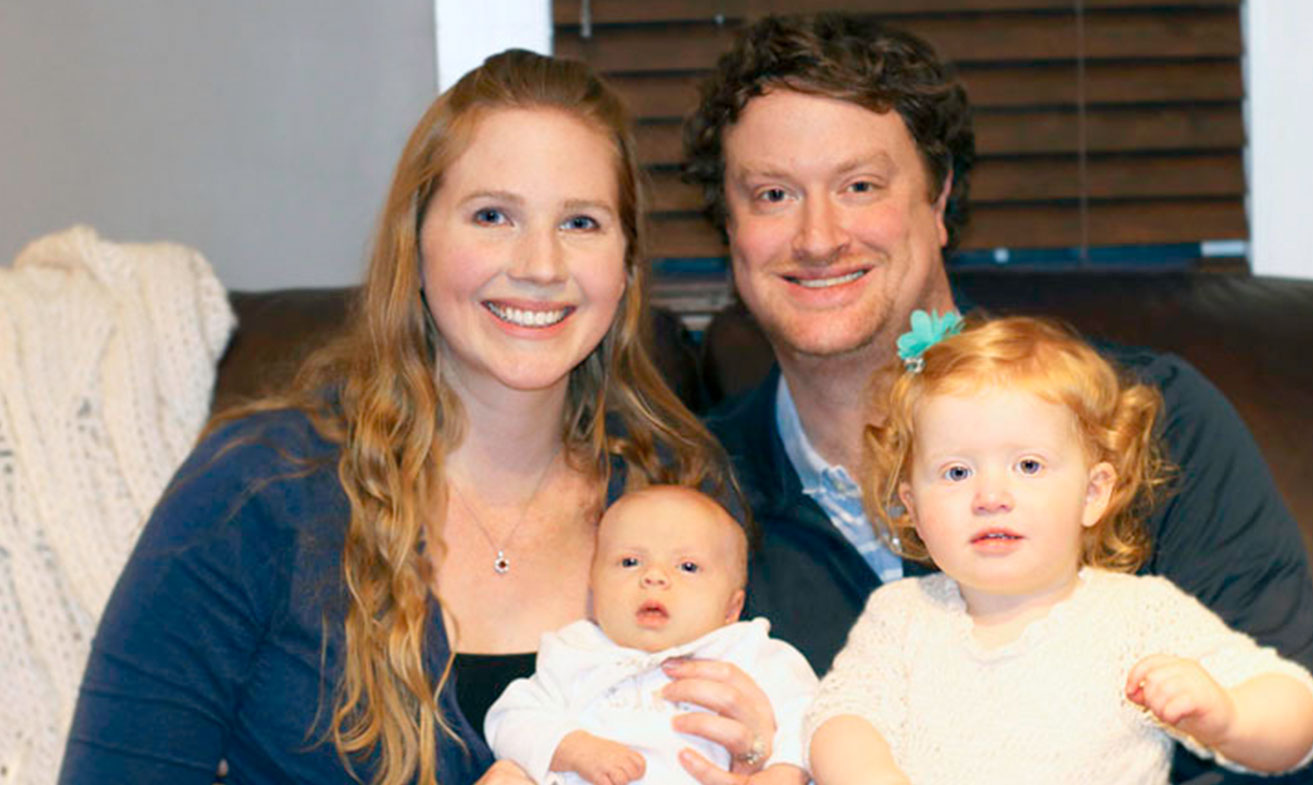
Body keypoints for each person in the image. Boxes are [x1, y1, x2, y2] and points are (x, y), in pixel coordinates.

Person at [682, 12, 1313, 783]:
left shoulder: (1148, 420)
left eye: (860, 186)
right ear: (730, 228)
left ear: (938, 200)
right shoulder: (693, 495)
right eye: (773, 194)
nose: (818, 237)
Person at [60, 50, 776, 785]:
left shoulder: (684, 493)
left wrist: (766, 756)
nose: (539, 264)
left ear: (625, 265)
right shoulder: (258, 489)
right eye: (493, 215)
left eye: (580, 222)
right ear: (415, 242)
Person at [806, 313, 1313, 783]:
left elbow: (1296, 708)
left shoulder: (1138, 616)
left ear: (1093, 493)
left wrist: (1229, 717)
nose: (990, 496)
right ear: (913, 507)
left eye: (1028, 466)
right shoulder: (900, 618)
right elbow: (840, 718)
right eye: (957, 472)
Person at [485, 485, 816, 785]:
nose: (654, 576)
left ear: (732, 608)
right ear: (594, 587)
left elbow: (809, 718)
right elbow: (509, 719)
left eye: (687, 566)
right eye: (630, 562)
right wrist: (574, 748)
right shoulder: (576, 651)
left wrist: (783, 771)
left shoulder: (751, 652)